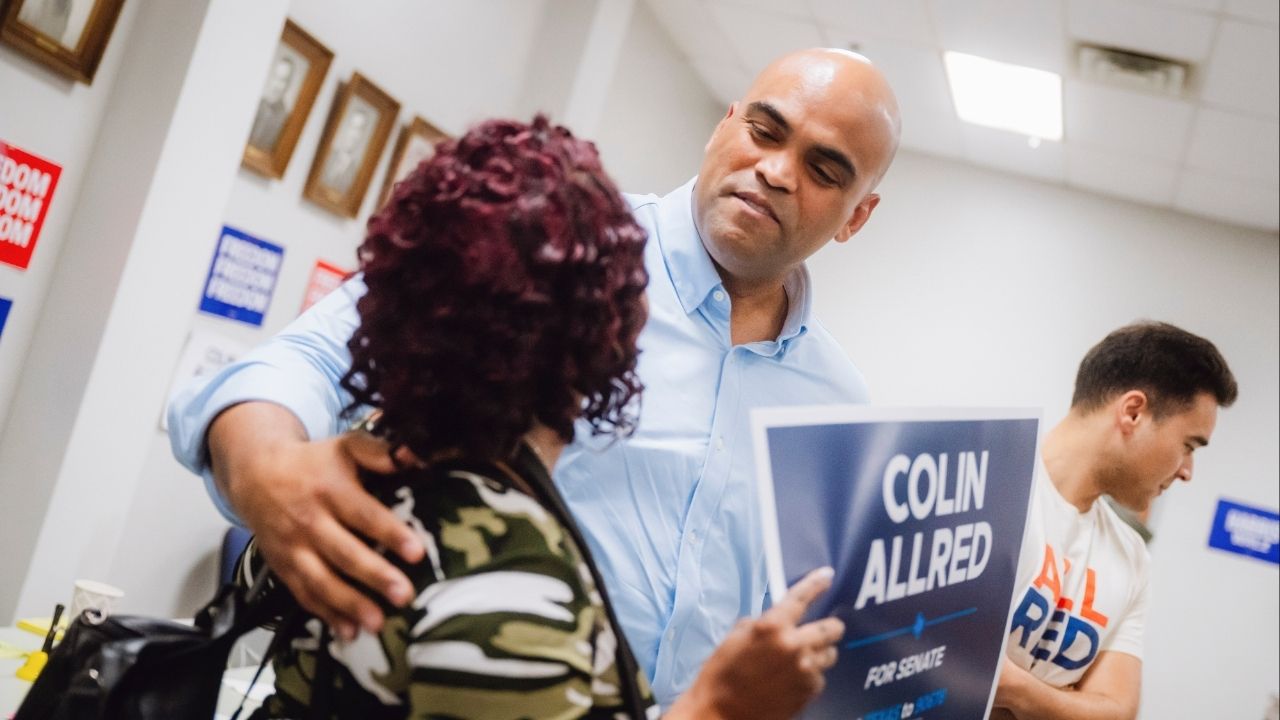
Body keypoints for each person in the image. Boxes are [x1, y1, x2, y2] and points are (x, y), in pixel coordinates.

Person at [169, 47, 901, 705]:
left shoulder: (838, 405)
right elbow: (302, 361)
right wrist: (268, 470)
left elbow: (811, 612)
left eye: (823, 168)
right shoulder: (569, 254)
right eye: (766, 132)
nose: (776, 171)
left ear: (856, 217)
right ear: (725, 124)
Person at [991, 321, 1237, 720]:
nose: (1188, 471)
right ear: (1134, 412)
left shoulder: (1132, 558)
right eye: (1188, 446)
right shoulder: (988, 490)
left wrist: (1013, 687)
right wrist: (1063, 699)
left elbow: (1117, 712)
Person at [249, 54, 297, 151]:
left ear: (288, 85)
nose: (276, 85)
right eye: (276, 77)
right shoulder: (256, 104)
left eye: (283, 80)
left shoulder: (287, 120)